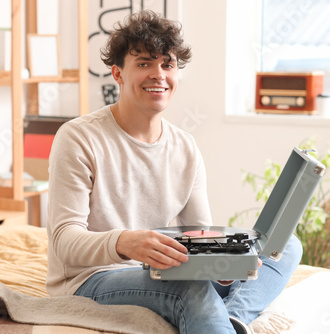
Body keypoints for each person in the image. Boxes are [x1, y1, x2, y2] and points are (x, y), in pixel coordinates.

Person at [46, 10, 302, 334]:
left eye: (167, 64)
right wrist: (125, 243)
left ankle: (234, 317)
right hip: (92, 279)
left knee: (286, 246)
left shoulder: (185, 148)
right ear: (118, 73)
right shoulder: (78, 138)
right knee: (186, 287)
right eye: (144, 64)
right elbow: (64, 241)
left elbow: (200, 234)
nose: (159, 75)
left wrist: (220, 264)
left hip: (159, 273)